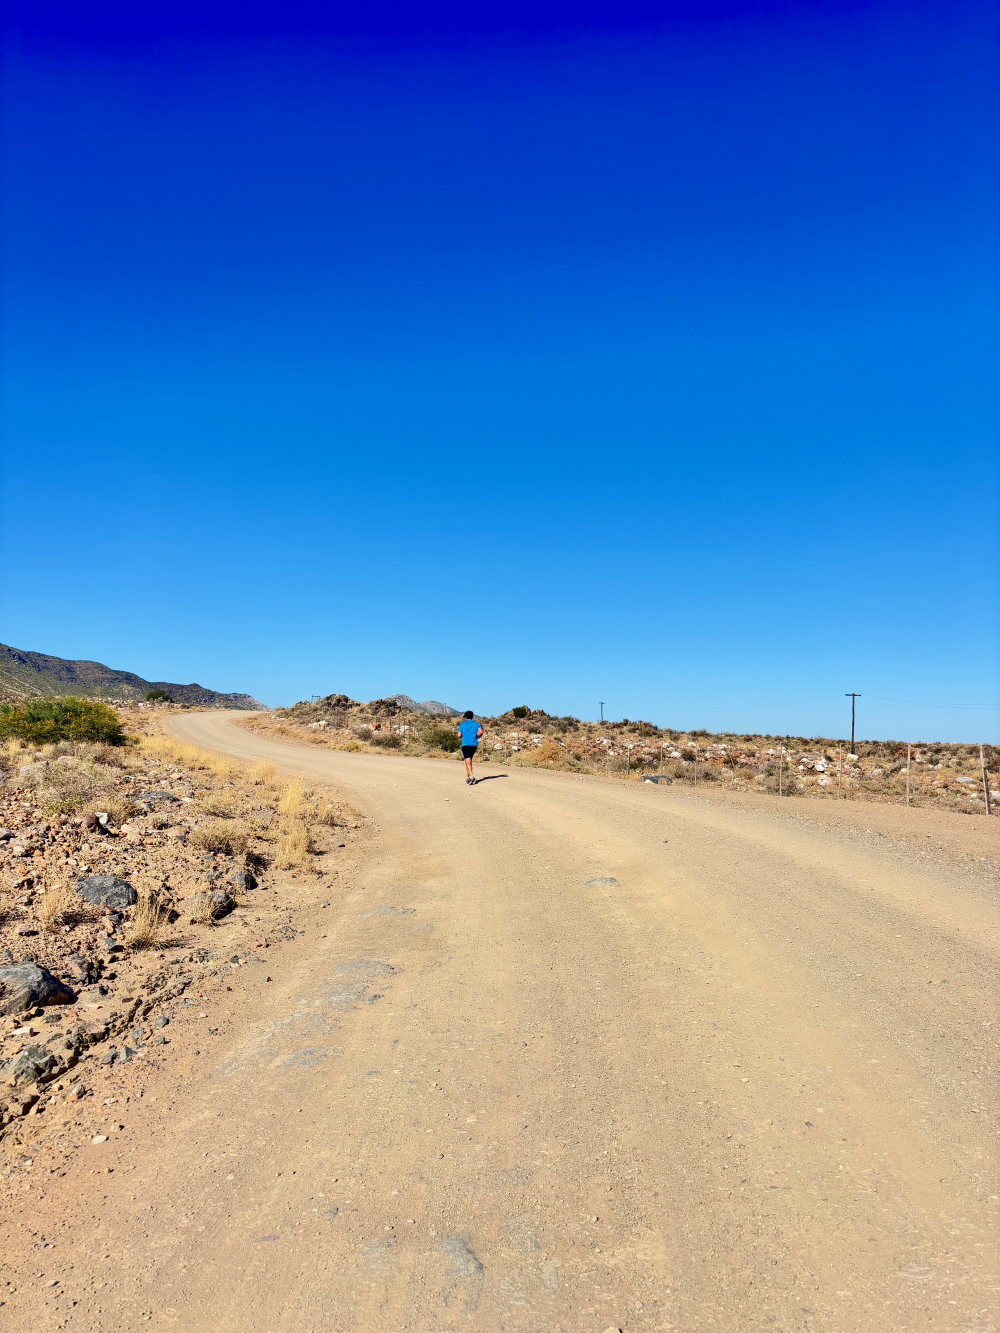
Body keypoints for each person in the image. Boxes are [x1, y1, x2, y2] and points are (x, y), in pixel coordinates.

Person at [456, 710, 483, 785]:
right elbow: (481, 732)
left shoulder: (462, 725)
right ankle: (467, 777)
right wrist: (477, 737)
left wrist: (461, 736)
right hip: (474, 745)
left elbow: (459, 735)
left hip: (465, 744)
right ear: (472, 717)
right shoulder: (476, 724)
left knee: (468, 761)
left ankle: (471, 776)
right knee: (468, 760)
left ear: (465, 717)